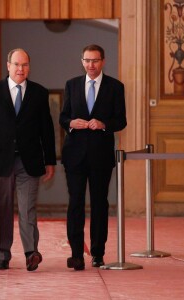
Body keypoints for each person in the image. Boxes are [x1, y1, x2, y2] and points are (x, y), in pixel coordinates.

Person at [0, 48, 56, 271]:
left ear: (29, 67)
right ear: (8, 66)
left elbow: (47, 129)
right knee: (3, 208)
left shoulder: (39, 93)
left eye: (25, 65)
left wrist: (50, 160)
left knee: (28, 209)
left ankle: (31, 253)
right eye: (16, 64)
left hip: (30, 161)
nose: (21, 69)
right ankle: (3, 254)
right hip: (1, 159)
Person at [59, 44, 127, 271]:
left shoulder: (115, 87)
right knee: (75, 204)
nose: (91, 65)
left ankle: (98, 253)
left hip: (101, 156)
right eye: (87, 60)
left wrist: (104, 124)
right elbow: (63, 117)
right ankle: (76, 254)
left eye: (95, 61)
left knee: (99, 204)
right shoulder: (71, 85)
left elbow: (121, 121)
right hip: (74, 156)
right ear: (82, 61)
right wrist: (71, 123)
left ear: (103, 61)